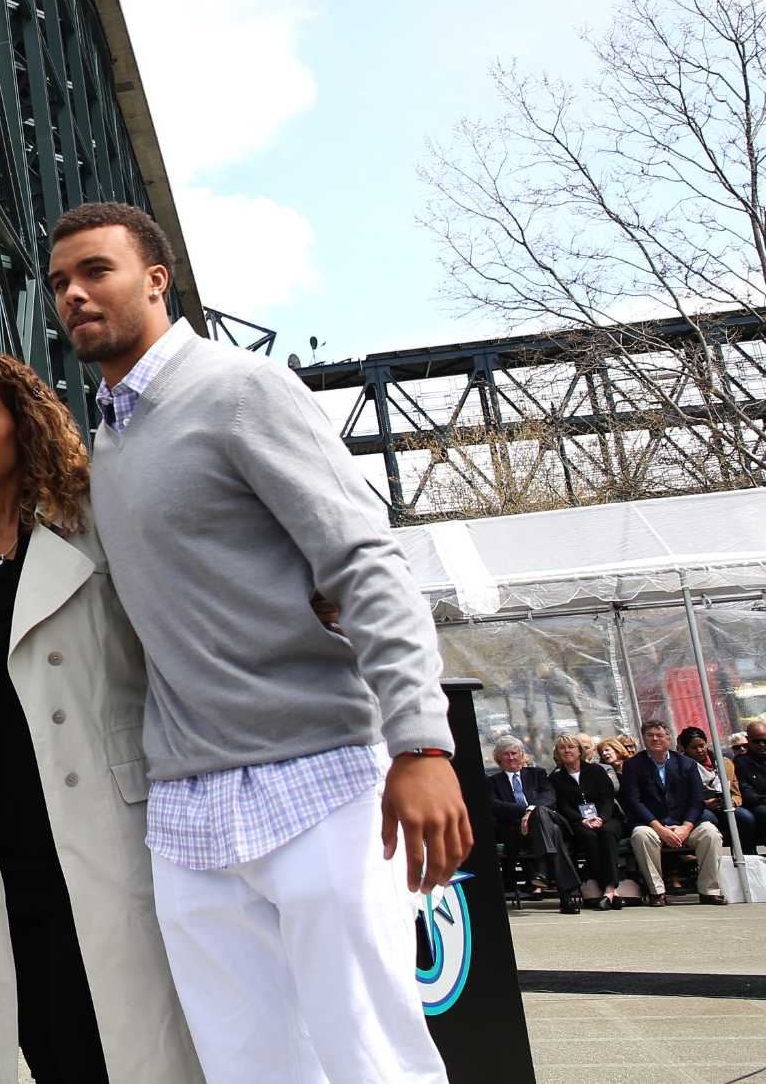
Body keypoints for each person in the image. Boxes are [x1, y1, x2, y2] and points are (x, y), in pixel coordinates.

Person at [48, 202, 466, 1084]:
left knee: (372, 1059)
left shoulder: (242, 387)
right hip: (188, 807)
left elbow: (363, 559)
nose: (74, 294)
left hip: (318, 775)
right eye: (59, 284)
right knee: (249, 1069)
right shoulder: (113, 441)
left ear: (157, 279)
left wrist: (421, 742)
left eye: (96, 271)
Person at [0, 353, 201, 1084]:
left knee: (144, 1044)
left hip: (112, 832)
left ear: (24, 421)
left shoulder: (98, 518)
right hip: (6, 853)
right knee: (51, 1041)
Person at [619, 720, 726, 906]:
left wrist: (686, 827)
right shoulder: (633, 765)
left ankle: (709, 890)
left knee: (710, 833)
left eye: (659, 735)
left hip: (684, 823)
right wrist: (660, 829)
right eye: (650, 735)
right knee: (641, 836)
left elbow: (697, 800)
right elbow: (633, 801)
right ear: (643, 739)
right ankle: (657, 892)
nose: (655, 739)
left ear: (669, 738)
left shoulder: (686, 764)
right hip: (653, 824)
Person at [487, 738, 583, 913]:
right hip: (517, 832)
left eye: (514, 753)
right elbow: (495, 806)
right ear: (498, 759)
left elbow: (549, 797)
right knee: (553, 832)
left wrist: (532, 812)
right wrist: (527, 812)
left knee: (542, 814)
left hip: (546, 820)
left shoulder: (537, 774)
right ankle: (565, 895)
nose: (511, 757)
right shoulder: (492, 781)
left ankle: (542, 870)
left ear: (522, 755)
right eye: (506, 754)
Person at [548, 735, 623, 909]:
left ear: (579, 750)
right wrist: (582, 820)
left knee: (606, 832)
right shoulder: (556, 779)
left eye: (571, 747)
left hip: (607, 817)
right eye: (562, 748)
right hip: (578, 821)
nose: (567, 751)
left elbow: (607, 798)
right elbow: (563, 806)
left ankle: (610, 887)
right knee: (587, 837)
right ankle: (607, 887)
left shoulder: (596, 771)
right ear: (557, 753)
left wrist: (601, 818)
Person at [680, 726, 755, 854]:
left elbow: (736, 793)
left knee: (745, 817)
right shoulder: (681, 767)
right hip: (700, 809)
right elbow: (679, 798)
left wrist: (732, 802)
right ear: (685, 749)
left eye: (702, 746)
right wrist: (704, 804)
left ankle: (746, 856)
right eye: (694, 748)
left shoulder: (724, 763)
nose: (699, 750)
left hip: (725, 806)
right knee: (709, 818)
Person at [735, 718, 766, 854]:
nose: (762, 745)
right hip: (756, 806)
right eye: (756, 741)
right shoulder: (741, 762)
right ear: (748, 740)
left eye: (765, 741)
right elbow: (747, 793)